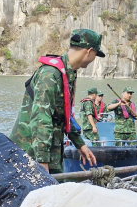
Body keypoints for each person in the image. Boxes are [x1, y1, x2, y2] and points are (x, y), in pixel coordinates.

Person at [10, 29, 101, 173]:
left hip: (50, 154)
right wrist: (42, 163)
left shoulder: (66, 74)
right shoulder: (50, 74)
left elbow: (65, 115)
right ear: (89, 51)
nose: (93, 59)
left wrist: (80, 145)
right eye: (96, 54)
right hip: (30, 156)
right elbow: (41, 118)